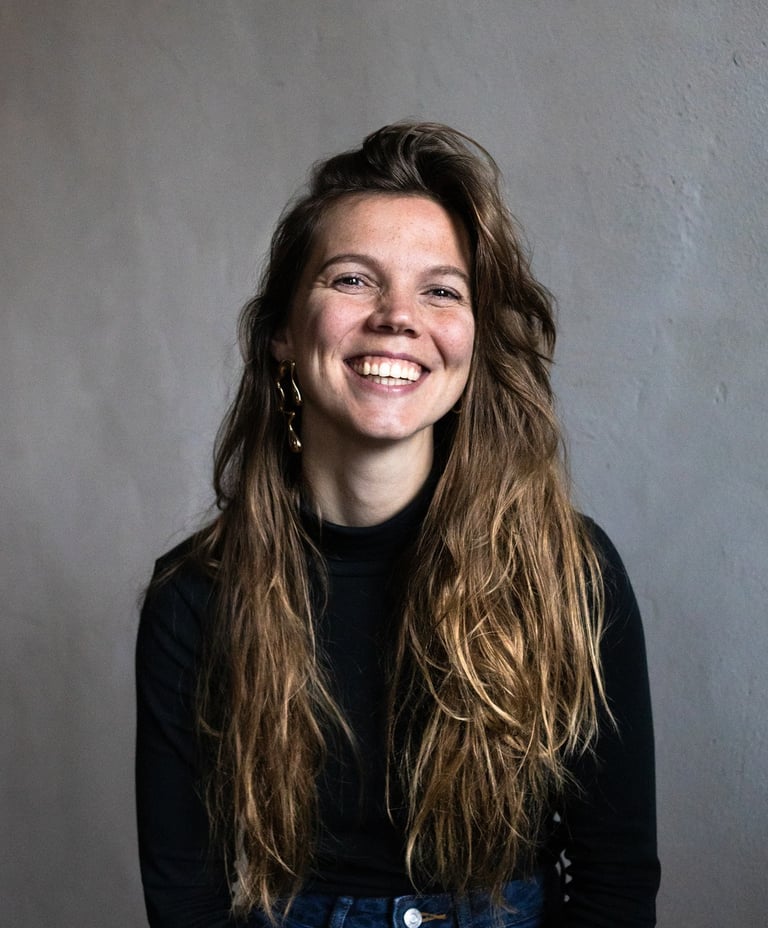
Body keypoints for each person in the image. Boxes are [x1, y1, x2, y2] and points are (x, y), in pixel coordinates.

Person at [136, 122, 660, 928]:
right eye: (352, 279)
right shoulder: (194, 599)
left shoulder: (572, 573)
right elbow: (187, 901)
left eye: (442, 290)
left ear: (474, 341)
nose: (397, 317)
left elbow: (614, 882)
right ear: (282, 332)